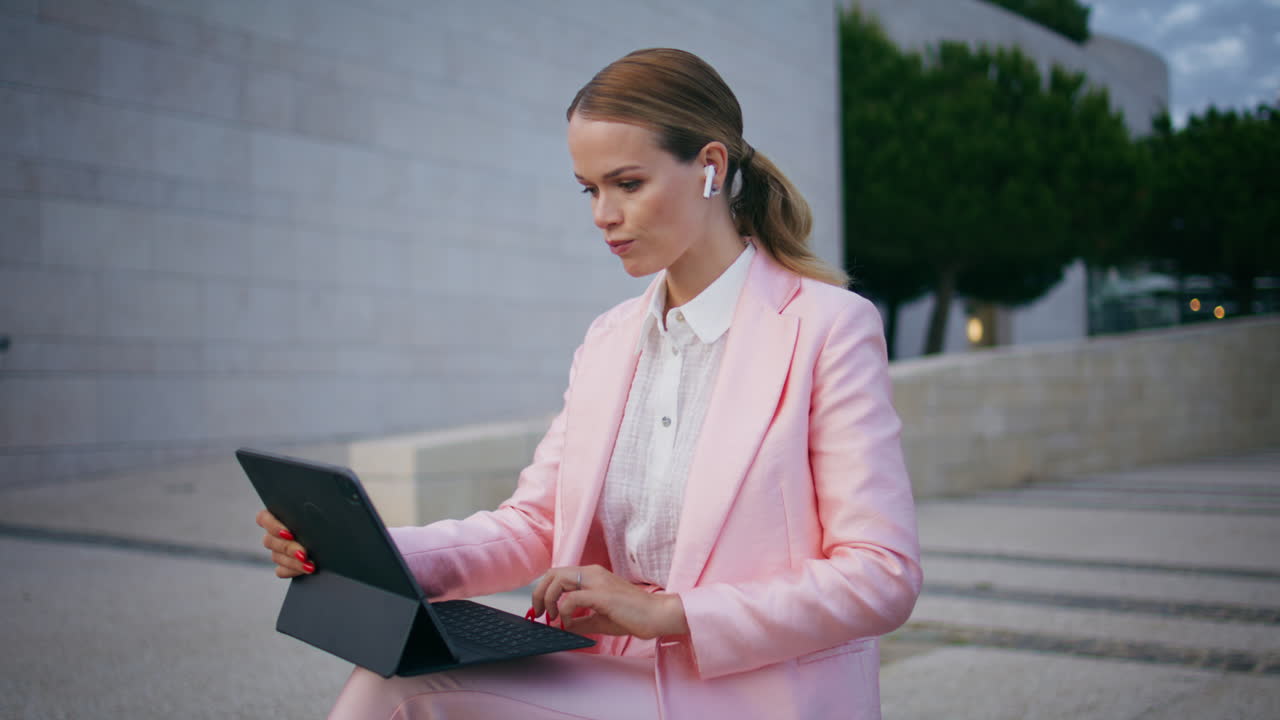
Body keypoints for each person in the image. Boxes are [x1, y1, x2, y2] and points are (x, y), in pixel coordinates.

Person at [256, 48, 921, 719]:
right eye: (589, 188)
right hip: (614, 679)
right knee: (392, 676)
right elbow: (534, 524)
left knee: (401, 690)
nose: (603, 214)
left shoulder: (828, 327)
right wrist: (366, 551)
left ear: (711, 169)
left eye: (627, 184)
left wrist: (666, 613)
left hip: (758, 694)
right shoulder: (609, 340)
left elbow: (881, 575)